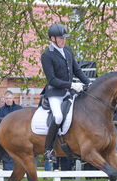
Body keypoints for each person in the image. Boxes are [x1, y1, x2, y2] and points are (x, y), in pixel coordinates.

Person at [41, 23, 91, 161]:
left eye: (64, 38)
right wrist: (72, 85)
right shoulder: (47, 55)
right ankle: (48, 150)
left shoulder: (67, 50)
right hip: (55, 93)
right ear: (52, 39)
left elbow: (77, 70)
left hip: (69, 92)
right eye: (60, 38)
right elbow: (52, 80)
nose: (63, 40)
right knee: (57, 117)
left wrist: (88, 83)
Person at [0, 91, 23, 170]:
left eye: (10, 98)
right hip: (6, 136)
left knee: (17, 156)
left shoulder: (19, 109)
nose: (8, 100)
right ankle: (7, 175)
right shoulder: (1, 110)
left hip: (18, 136)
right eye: (7, 98)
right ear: (4, 99)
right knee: (7, 156)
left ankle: (16, 175)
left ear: (13, 98)